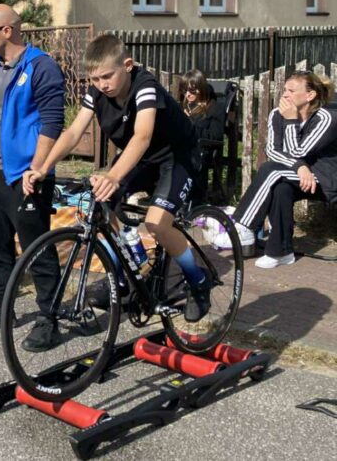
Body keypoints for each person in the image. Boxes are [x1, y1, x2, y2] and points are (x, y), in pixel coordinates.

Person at [24, 34, 212, 323]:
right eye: (95, 79)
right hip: (143, 158)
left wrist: (112, 175)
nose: (102, 85)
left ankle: (198, 281)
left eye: (107, 77)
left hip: (177, 157)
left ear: (127, 65)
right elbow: (73, 133)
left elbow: (143, 135)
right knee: (101, 206)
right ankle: (127, 273)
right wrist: (42, 166)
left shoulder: (145, 86)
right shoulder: (97, 92)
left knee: (157, 223)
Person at [0, 5, 66, 351]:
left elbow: (52, 124)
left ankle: (48, 319)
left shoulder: (41, 67)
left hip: (25, 174)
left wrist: (36, 169)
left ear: (8, 31)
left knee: (37, 247)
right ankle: (1, 304)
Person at [231, 71, 337, 268]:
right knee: (280, 187)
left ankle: (244, 225)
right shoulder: (276, 114)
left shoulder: (325, 118)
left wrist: (291, 121)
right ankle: (281, 252)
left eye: (291, 90)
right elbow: (273, 150)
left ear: (310, 95)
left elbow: (299, 150)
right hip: (298, 175)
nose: (284, 95)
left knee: (271, 170)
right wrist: (299, 167)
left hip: (327, 179)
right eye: (284, 90)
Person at [178, 69, 224, 203]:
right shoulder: (184, 106)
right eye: (185, 90)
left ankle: (191, 200)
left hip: (200, 150)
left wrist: (190, 124)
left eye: (192, 91)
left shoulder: (214, 108)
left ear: (201, 89)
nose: (188, 94)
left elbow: (216, 136)